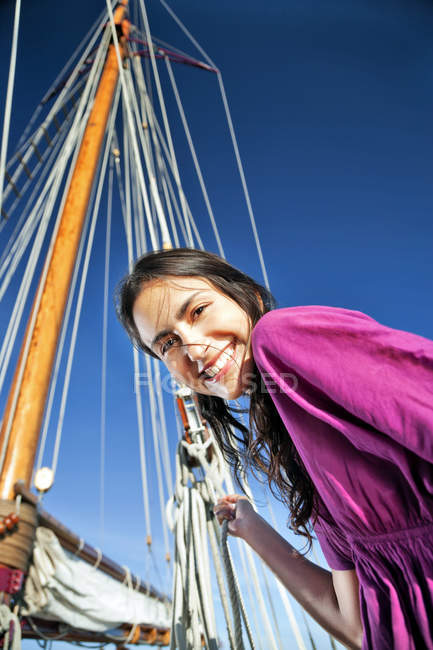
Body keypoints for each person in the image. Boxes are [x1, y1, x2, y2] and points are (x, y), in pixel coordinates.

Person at [117, 247, 433, 650]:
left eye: (197, 311)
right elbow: (355, 627)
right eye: (168, 344)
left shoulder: (280, 335)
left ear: (247, 296)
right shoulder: (305, 456)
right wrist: (252, 529)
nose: (193, 350)